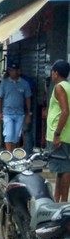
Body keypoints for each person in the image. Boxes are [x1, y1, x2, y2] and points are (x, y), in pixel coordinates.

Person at [46, 60, 70, 202]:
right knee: (61, 170)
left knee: (65, 169)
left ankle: (64, 202)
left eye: (52, 71)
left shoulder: (59, 87)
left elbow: (65, 111)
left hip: (60, 135)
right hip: (66, 134)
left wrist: (57, 134)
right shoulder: (67, 86)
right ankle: (57, 200)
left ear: (56, 73)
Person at [0, 62, 32, 151]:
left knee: (16, 136)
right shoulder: (4, 83)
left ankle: (12, 153)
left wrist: (28, 113)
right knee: (8, 135)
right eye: (10, 70)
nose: (12, 72)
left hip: (20, 114)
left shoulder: (24, 83)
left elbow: (28, 99)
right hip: (7, 113)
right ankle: (9, 155)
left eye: (14, 70)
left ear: (18, 71)